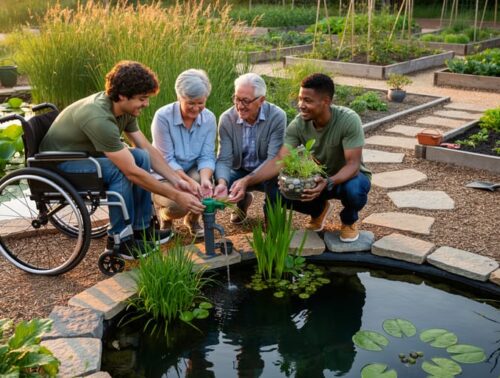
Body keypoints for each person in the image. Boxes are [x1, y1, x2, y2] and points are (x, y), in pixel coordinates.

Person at [39, 60, 204, 258]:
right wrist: (176, 196)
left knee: (141, 156)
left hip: (87, 155)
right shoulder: (99, 118)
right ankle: (119, 239)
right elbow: (131, 172)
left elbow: (146, 148)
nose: (146, 104)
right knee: (121, 171)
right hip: (59, 164)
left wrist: (180, 182)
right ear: (123, 96)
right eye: (142, 98)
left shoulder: (123, 110)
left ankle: (141, 229)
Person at [229, 73, 371, 242]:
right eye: (300, 99)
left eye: (307, 101)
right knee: (279, 189)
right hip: (313, 180)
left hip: (344, 179)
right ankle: (318, 210)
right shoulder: (298, 124)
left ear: (325, 101)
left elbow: (353, 165)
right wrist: (246, 180)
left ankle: (349, 220)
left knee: (355, 189)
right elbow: (278, 160)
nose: (300, 105)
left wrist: (328, 182)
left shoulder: (348, 120)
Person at [151, 69, 216, 238]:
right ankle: (165, 216)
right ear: (179, 97)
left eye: (200, 103)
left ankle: (192, 220)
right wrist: (188, 182)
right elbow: (167, 160)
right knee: (179, 205)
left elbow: (207, 156)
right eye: (191, 103)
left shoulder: (209, 119)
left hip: (191, 171)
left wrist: (205, 180)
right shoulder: (163, 117)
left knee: (204, 189)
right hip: (164, 175)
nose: (196, 108)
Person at [213, 73, 286, 223]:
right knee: (216, 185)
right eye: (237, 99)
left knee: (276, 187)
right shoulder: (227, 119)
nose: (239, 106)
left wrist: (246, 181)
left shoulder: (277, 116)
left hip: (267, 170)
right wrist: (221, 183)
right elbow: (224, 159)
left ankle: (273, 228)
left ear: (261, 100)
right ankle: (242, 201)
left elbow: (274, 160)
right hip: (240, 169)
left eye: (245, 101)